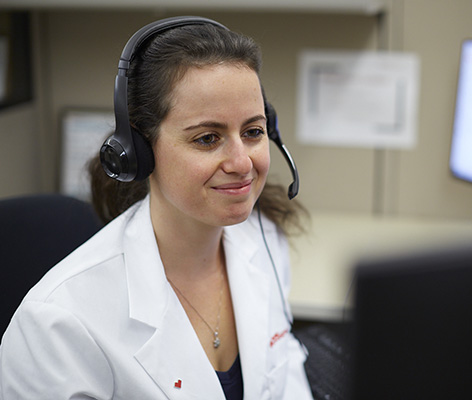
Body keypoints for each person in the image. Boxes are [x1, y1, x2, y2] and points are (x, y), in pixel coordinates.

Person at [0, 16, 312, 399]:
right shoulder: (59, 324)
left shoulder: (264, 241)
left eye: (252, 132)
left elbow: (286, 375)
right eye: (208, 138)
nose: (242, 162)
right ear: (139, 152)